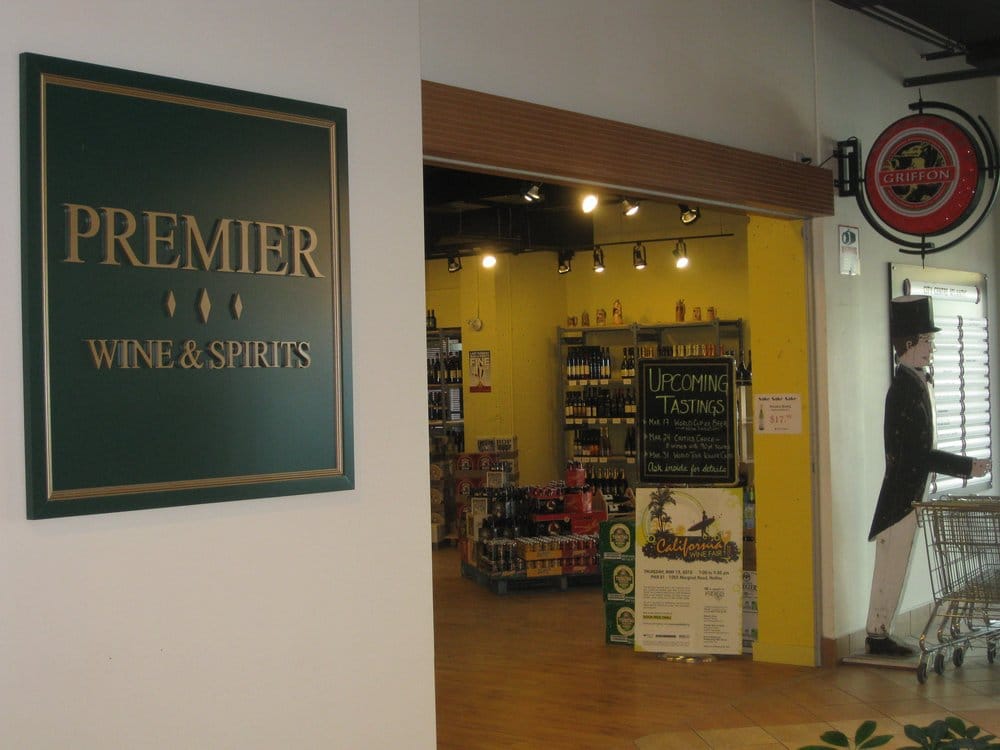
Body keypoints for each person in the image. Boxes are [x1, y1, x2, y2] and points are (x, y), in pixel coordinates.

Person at [866, 295, 989, 656]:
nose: (931, 348)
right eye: (925, 341)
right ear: (907, 344)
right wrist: (965, 466)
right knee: (891, 566)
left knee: (896, 565)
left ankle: (880, 631)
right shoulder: (903, 390)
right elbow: (915, 454)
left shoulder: (917, 383)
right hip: (901, 497)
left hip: (909, 492)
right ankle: (877, 634)